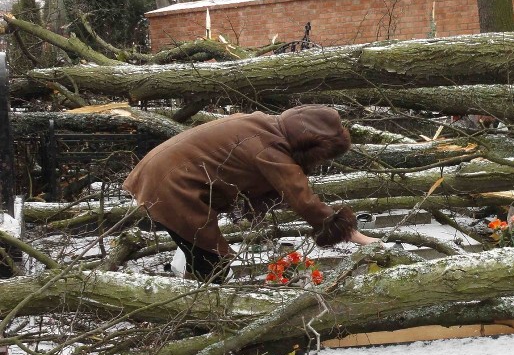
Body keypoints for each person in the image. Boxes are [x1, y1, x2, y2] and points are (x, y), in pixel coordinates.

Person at [123, 105, 378, 283]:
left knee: (202, 258)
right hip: (170, 187)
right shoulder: (269, 146)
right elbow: (300, 195)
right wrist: (350, 232)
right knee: (211, 263)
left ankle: (194, 311)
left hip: (162, 177)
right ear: (312, 145)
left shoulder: (264, 125)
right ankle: (201, 319)